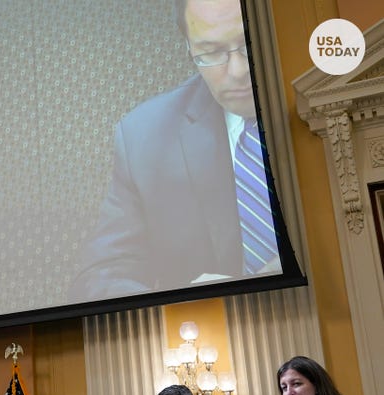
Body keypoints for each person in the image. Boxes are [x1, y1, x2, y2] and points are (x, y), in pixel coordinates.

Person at [69, 0, 277, 301]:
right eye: (211, 53)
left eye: (247, 44)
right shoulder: (145, 136)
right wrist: (186, 302)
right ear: (190, 50)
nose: (237, 70)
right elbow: (99, 277)